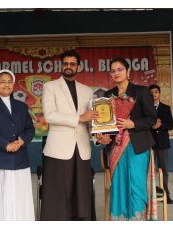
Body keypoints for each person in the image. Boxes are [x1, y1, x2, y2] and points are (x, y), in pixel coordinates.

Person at [40, 50, 99, 221]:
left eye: (72, 64)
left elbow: (90, 121)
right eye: (65, 63)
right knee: (57, 194)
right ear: (61, 65)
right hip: (58, 148)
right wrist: (79, 118)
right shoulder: (50, 87)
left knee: (81, 193)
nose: (68, 67)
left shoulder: (87, 90)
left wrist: (97, 137)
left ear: (78, 67)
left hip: (81, 148)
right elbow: (50, 115)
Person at [102, 57, 157, 220]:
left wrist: (133, 124)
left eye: (119, 69)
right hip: (115, 147)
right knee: (119, 186)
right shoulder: (107, 95)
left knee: (136, 185)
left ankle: (138, 221)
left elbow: (152, 119)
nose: (116, 73)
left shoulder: (141, 92)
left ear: (128, 72)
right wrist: (101, 135)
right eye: (112, 70)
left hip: (137, 146)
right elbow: (104, 124)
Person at [0, 69, 35, 220]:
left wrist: (22, 140)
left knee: (18, 199)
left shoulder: (21, 106)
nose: (6, 84)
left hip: (19, 159)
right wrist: (6, 145)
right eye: (2, 81)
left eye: (10, 82)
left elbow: (30, 129)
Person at [149, 84, 173, 204]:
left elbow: (171, 125)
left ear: (159, 94)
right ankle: (151, 195)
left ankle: (166, 194)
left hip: (163, 144)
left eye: (155, 92)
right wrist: (152, 125)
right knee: (149, 171)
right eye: (151, 92)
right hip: (149, 143)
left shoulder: (165, 108)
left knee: (164, 170)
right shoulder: (145, 108)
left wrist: (160, 125)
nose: (153, 94)